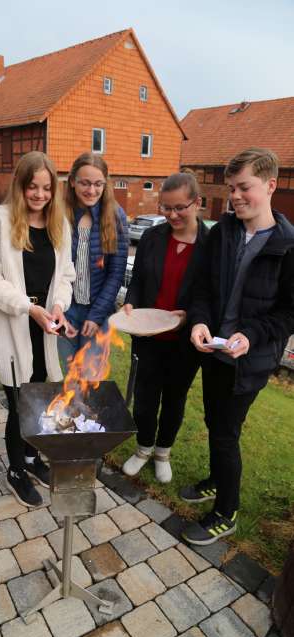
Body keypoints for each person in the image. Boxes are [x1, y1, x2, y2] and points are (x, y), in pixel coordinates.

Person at [181, 148, 294, 545]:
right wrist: (198, 320)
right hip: (213, 351)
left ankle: (225, 513)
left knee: (226, 433)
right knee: (216, 425)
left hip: (248, 362)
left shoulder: (288, 245)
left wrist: (252, 336)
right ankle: (216, 480)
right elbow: (202, 287)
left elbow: (287, 314)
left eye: (244, 187)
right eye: (231, 189)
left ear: (270, 185)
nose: (235, 197)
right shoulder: (224, 231)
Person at [0, 151, 75, 508]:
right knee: (20, 404)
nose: (39, 195)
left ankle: (33, 459)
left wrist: (58, 307)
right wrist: (28, 307)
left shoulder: (59, 223)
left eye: (46, 188)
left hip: (44, 327)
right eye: (32, 187)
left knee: (43, 401)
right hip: (15, 324)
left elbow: (66, 274)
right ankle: (16, 469)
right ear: (20, 186)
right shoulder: (0, 220)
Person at [122, 172, 209, 482]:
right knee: (145, 400)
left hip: (184, 342)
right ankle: (143, 448)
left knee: (174, 400)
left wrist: (190, 317)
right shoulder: (152, 238)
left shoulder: (210, 245)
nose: (172, 215)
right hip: (148, 337)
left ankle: (162, 453)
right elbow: (139, 281)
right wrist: (130, 302)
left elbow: (208, 293)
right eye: (165, 208)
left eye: (179, 208)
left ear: (197, 203)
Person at [58, 153, 128, 366]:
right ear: (72, 182)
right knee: (66, 376)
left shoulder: (116, 216)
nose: (91, 190)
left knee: (90, 378)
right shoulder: (59, 214)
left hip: (98, 311)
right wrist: (59, 309)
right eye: (85, 183)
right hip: (65, 310)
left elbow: (116, 273)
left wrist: (96, 315)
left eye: (98, 184)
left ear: (105, 184)